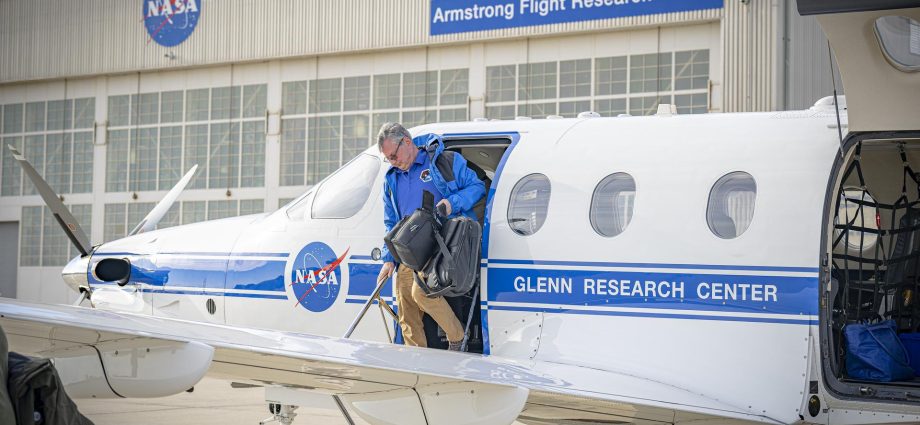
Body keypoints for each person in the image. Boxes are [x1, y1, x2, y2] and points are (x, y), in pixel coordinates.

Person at [376, 122, 485, 351]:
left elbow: (477, 187)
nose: (393, 162)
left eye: (394, 155)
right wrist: (389, 258)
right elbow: (391, 222)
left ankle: (456, 337)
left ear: (407, 141)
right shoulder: (391, 179)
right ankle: (416, 356)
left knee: (421, 293)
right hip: (409, 248)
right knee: (405, 303)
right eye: (388, 159)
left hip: (442, 245)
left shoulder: (444, 162)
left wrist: (451, 203)